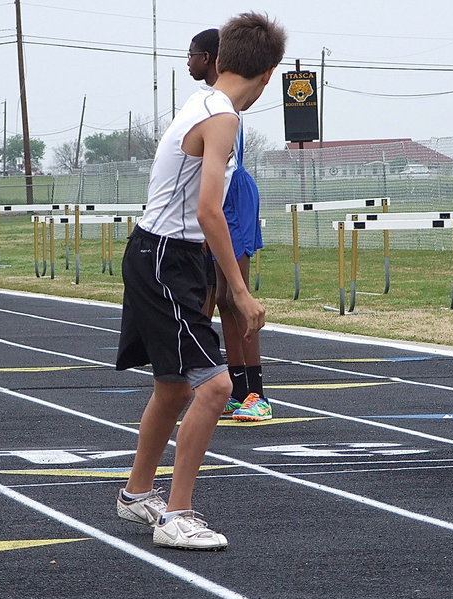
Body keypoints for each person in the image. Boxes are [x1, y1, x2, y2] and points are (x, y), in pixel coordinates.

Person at [114, 12, 285, 551]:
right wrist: (239, 290)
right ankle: (177, 514)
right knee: (215, 387)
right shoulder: (223, 117)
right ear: (268, 74)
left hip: (162, 253)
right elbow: (210, 209)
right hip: (166, 256)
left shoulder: (203, 103)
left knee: (173, 386)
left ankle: (137, 493)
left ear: (221, 58)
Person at [188, 28, 272, 422]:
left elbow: (221, 166)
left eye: (192, 55)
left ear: (210, 59)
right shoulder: (209, 100)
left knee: (238, 298)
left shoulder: (224, 103)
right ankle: (238, 391)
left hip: (232, 195)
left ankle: (258, 393)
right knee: (222, 297)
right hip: (220, 195)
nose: (188, 62)